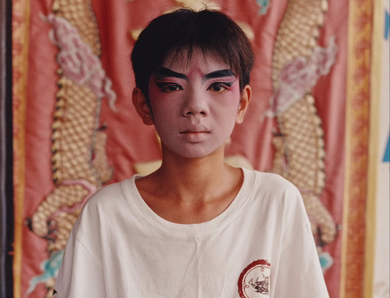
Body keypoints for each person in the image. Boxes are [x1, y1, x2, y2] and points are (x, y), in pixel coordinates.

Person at [53, 8, 329, 298]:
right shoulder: (106, 215)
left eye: (218, 86)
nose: (195, 105)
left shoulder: (275, 202)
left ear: (243, 103)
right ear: (144, 104)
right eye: (172, 86)